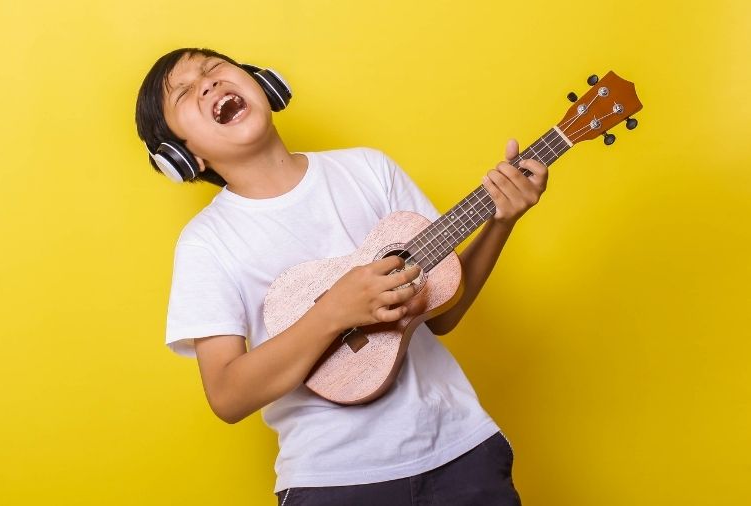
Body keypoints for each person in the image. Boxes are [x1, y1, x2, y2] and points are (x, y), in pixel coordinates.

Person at [135, 47, 548, 505]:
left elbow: (441, 313)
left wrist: (502, 220)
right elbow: (228, 396)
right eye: (186, 92)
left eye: (213, 69)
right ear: (183, 156)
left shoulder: (369, 170)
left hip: (461, 450)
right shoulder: (208, 242)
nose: (208, 83)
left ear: (263, 83)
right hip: (333, 482)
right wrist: (332, 313)